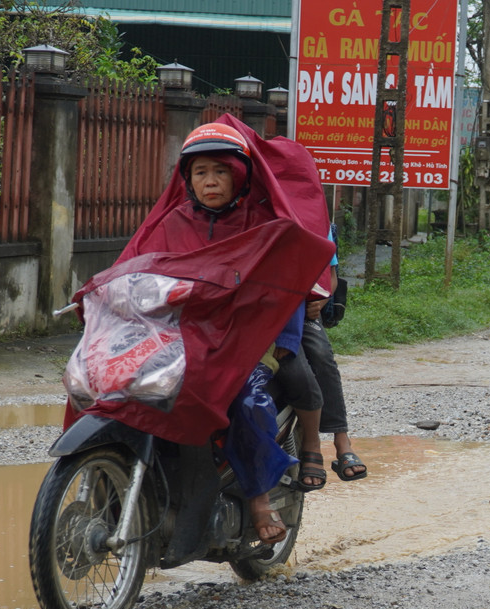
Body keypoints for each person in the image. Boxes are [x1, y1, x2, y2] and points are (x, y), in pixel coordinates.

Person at [116, 119, 337, 544]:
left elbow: (289, 274)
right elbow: (136, 266)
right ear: (187, 179)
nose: (210, 181)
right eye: (200, 172)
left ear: (240, 175)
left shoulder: (265, 223)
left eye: (220, 171)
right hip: (178, 340)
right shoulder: (171, 222)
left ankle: (257, 498)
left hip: (242, 343)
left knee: (247, 401)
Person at [301, 226, 367, 481]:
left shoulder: (317, 222)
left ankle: (341, 441)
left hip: (300, 310)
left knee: (321, 355)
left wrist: (322, 298)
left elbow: (330, 274)